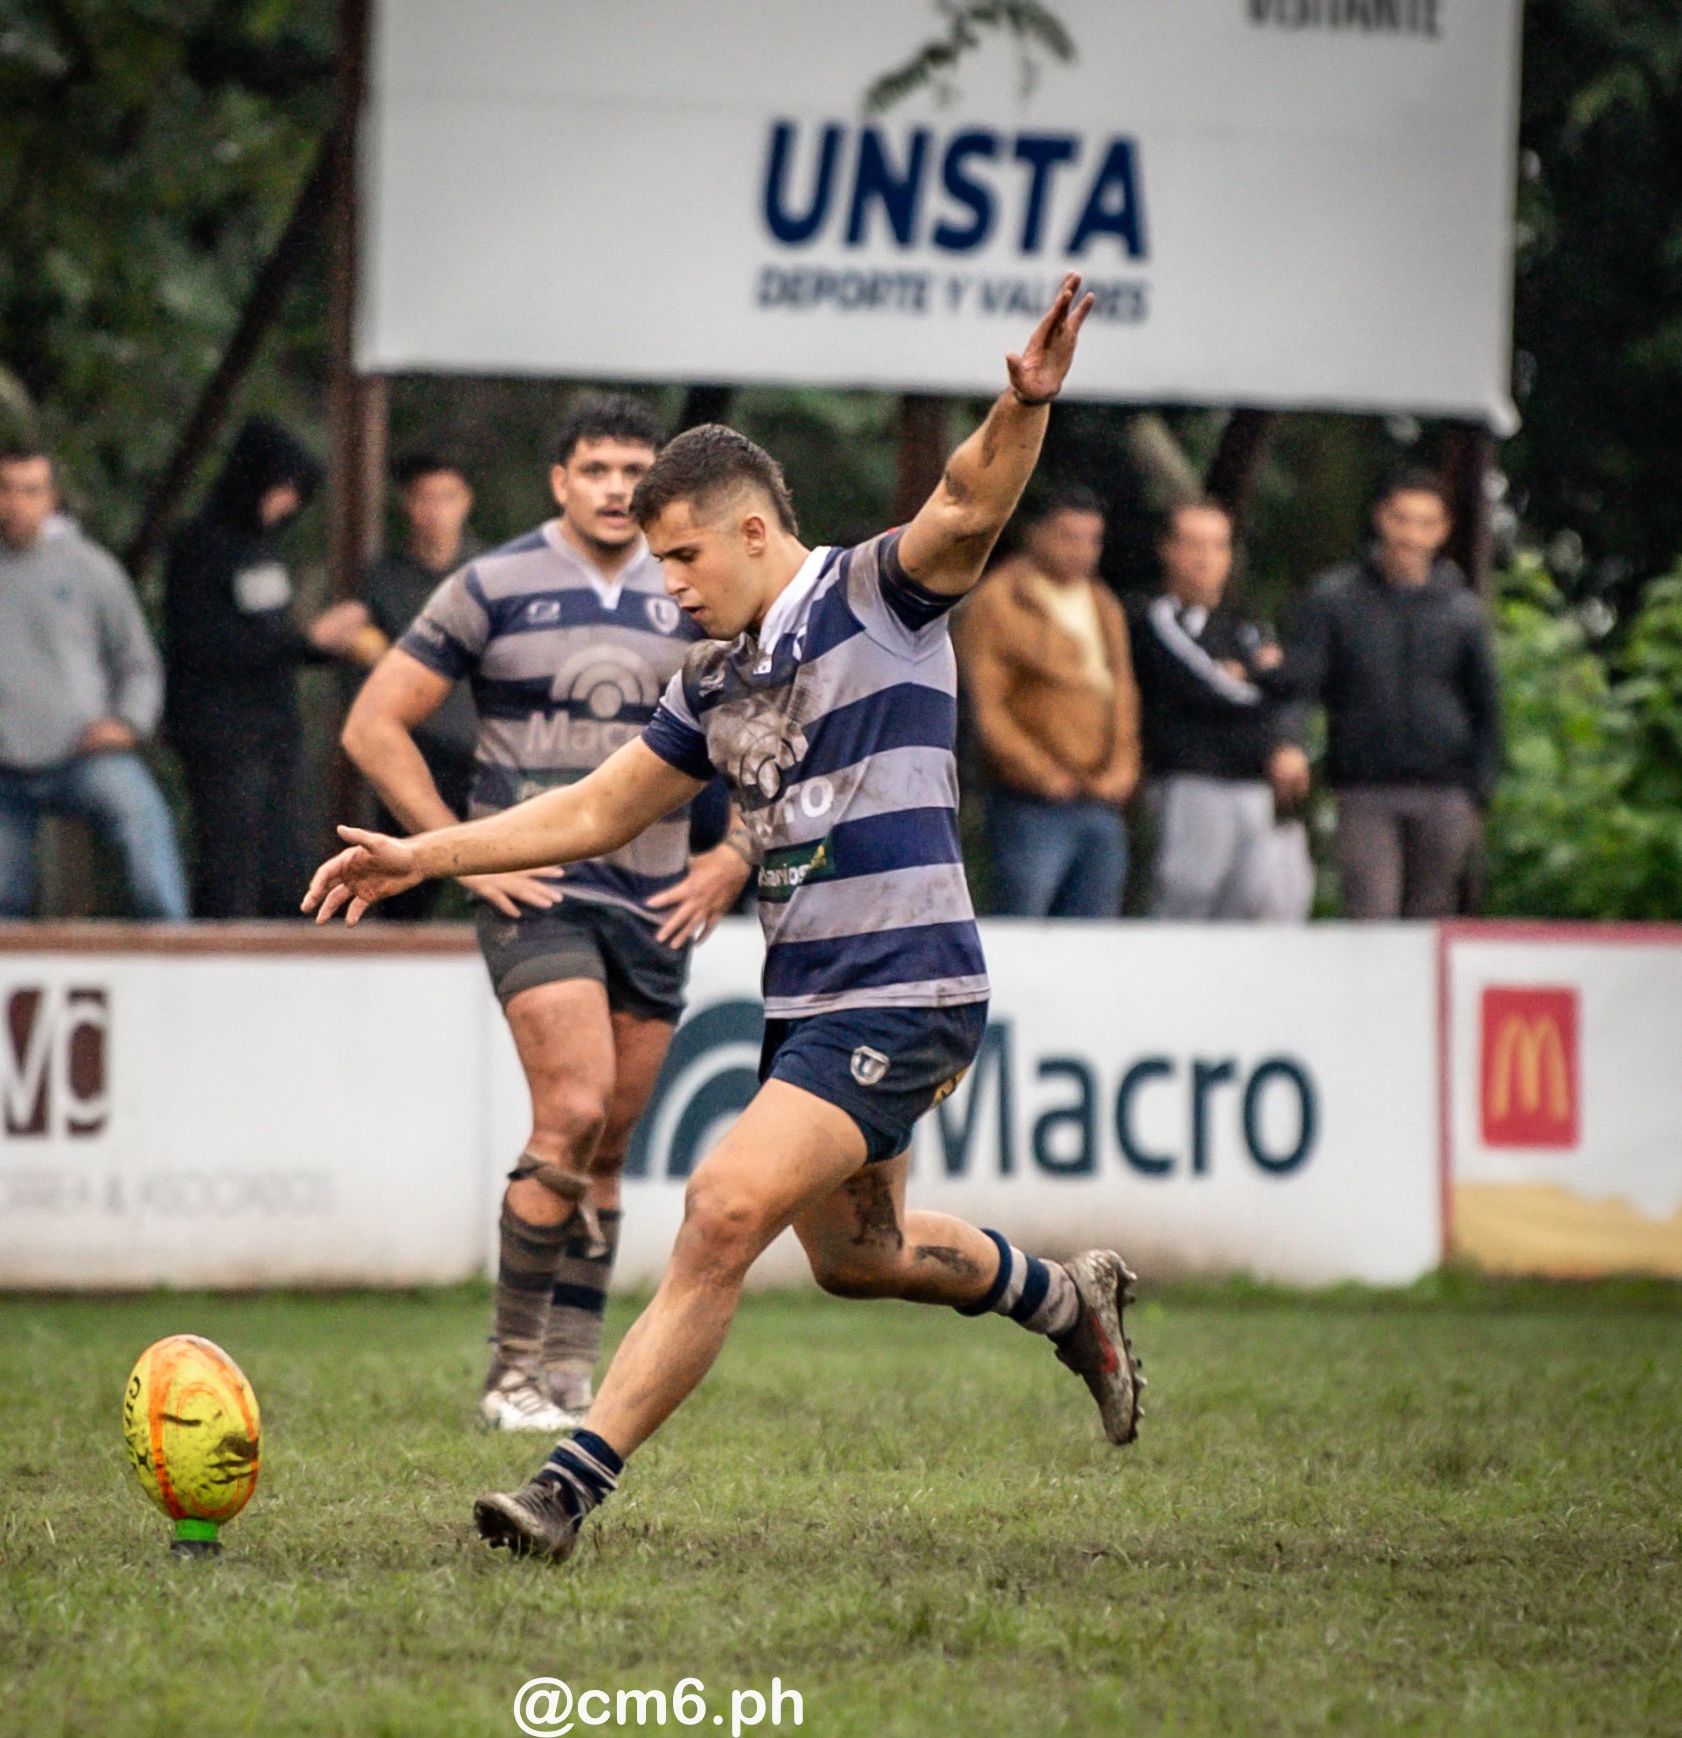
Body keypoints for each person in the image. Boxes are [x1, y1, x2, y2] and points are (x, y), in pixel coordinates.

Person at [305, 274, 1142, 1563]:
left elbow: (968, 505)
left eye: (683, 558)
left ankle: (563, 1490)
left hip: (904, 982)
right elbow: (591, 809)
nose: (670, 588)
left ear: (752, 530)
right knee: (861, 1257)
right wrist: (425, 849)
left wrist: (1020, 407)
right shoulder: (712, 680)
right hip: (811, 997)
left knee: (718, 1209)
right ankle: (1061, 1298)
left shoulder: (876, 594)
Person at [338, 394, 754, 1432]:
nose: (616, 487)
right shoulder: (491, 584)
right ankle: (508, 1374)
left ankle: (569, 1374)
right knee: (568, 1112)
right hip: (539, 891)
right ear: (558, 481)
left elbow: (765, 730)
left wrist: (732, 856)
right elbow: (372, 722)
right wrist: (459, 857)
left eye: (632, 470)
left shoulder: (693, 586)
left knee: (608, 1145)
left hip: (658, 896)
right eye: (596, 469)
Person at [0, 447, 187, 920]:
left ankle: (177, 954)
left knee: (144, 827)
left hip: (84, 754)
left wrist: (129, 723)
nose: (17, 503)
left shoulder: (93, 570)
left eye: (31, 491)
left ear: (51, 499)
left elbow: (137, 661)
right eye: (7, 489)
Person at [1270, 469, 1500, 919]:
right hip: (1365, 789)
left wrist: (1480, 790)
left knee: (1431, 923)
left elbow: (1485, 705)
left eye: (1425, 523)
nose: (1411, 535)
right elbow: (1301, 681)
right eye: (1401, 519)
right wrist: (1288, 742)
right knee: (1370, 917)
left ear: (1442, 530)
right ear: (1381, 519)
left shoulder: (1461, 610)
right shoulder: (1335, 599)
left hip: (1445, 792)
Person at [161, 417, 326, 919]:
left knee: (287, 863)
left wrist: (316, 646)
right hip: (221, 733)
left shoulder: (265, 547)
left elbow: (270, 637)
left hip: (273, 730)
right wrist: (301, 643)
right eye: (281, 489)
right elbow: (207, 642)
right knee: (229, 866)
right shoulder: (201, 547)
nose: (288, 505)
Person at [954, 486, 1140, 918]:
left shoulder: (1104, 602)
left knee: (1095, 928)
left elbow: (1124, 696)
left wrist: (1123, 768)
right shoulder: (998, 601)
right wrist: (1040, 774)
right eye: (1068, 536)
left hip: (1101, 796)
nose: (1082, 551)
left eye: (1092, 539)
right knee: (1025, 917)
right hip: (1031, 801)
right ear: (1033, 534)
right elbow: (985, 706)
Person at [310, 452, 482, 919]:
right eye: (425, 498)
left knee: (503, 881)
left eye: (446, 497)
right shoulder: (383, 579)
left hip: (483, 756)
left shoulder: (489, 577)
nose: (436, 511)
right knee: (406, 887)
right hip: (413, 755)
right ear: (407, 504)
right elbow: (336, 635)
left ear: (466, 502)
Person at [1130, 499, 1314, 920]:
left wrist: (1253, 684)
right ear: (1168, 549)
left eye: (1217, 546)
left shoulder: (1247, 625)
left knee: (1248, 908)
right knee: (1186, 898)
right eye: (1193, 545)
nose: (1204, 558)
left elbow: (1290, 686)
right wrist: (1256, 680)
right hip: (1193, 781)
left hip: (1253, 785)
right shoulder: (1158, 617)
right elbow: (1207, 688)